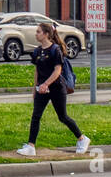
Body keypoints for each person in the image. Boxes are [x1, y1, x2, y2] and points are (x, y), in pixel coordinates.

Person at [17, 22, 91, 157]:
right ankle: (30, 146)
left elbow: (58, 71)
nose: (36, 34)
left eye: (38, 32)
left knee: (62, 117)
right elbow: (37, 71)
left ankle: (82, 139)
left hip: (56, 88)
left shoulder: (55, 50)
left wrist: (46, 84)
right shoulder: (37, 51)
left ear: (46, 34)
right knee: (36, 116)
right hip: (42, 90)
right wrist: (35, 88)